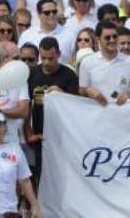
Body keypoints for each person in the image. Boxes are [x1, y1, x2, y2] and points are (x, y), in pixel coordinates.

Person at [26, 37, 79, 185]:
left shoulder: (69, 76)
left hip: (61, 136)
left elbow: (76, 108)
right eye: (43, 58)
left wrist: (62, 94)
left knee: (61, 176)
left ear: (59, 54)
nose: (47, 62)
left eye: (51, 58)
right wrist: (28, 132)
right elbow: (27, 105)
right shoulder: (31, 74)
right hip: (39, 135)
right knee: (39, 175)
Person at [79, 21, 130, 106]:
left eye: (115, 36)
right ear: (98, 39)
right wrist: (88, 90)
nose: (112, 40)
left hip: (124, 113)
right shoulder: (87, 62)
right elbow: (82, 91)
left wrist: (128, 94)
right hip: (97, 114)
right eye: (107, 37)